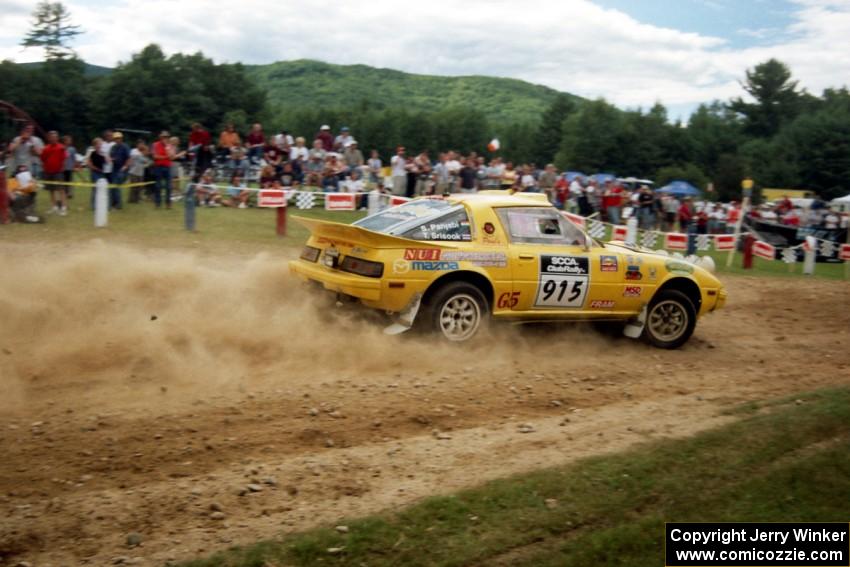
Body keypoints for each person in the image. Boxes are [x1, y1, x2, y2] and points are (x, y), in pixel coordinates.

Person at [40, 131, 67, 216]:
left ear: (57, 138)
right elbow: (42, 159)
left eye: (55, 137)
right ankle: (54, 207)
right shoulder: (46, 148)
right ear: (49, 138)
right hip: (48, 172)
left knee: (61, 189)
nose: (54, 138)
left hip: (58, 172)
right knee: (51, 190)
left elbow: (64, 159)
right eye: (52, 137)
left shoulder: (61, 147)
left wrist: (62, 168)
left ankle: (63, 208)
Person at [151, 131, 173, 209]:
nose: (165, 138)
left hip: (168, 167)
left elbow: (171, 157)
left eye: (167, 137)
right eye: (164, 137)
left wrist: (168, 151)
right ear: (160, 137)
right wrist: (166, 156)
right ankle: (158, 203)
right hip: (158, 167)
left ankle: (168, 203)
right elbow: (155, 156)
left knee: (169, 186)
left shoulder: (169, 145)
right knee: (158, 186)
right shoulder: (155, 145)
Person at [109, 132, 130, 210]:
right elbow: (111, 157)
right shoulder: (113, 147)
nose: (117, 140)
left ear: (121, 139)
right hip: (114, 169)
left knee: (116, 186)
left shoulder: (125, 147)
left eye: (119, 138)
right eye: (116, 138)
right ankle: (113, 203)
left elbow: (129, 158)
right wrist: (111, 159)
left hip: (122, 170)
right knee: (113, 187)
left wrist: (125, 167)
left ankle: (118, 205)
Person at [127, 140, 150, 204]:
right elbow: (140, 158)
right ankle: (131, 200)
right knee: (133, 187)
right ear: (137, 145)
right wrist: (144, 154)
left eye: (142, 144)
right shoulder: (134, 151)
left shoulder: (143, 153)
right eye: (140, 144)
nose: (141, 146)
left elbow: (147, 161)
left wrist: (145, 154)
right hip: (133, 172)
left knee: (140, 187)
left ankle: (137, 199)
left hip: (140, 172)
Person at [62, 135, 77, 200]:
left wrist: (75, 166)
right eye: (68, 140)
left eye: (70, 140)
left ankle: (70, 193)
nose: (69, 141)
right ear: (64, 141)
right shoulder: (61, 148)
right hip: (63, 168)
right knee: (64, 181)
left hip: (70, 168)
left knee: (70, 181)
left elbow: (74, 158)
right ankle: (65, 193)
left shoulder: (72, 149)